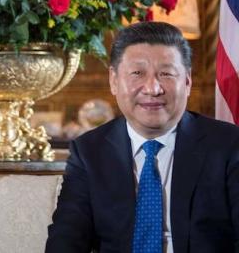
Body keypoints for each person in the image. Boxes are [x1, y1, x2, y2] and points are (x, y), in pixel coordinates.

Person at [46, 22, 239, 252]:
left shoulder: (228, 146)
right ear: (114, 80)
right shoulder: (89, 151)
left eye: (166, 73)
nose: (152, 88)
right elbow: (66, 240)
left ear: (187, 81)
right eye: (137, 73)